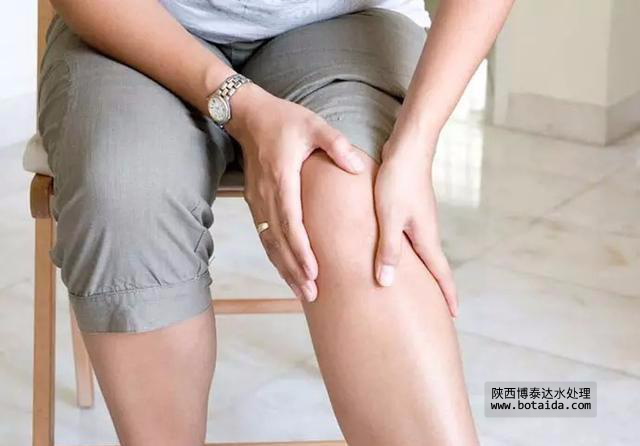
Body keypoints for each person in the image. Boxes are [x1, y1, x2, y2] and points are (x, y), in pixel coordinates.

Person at [40, 1, 513, 444]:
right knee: (124, 194)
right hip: (139, 24)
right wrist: (240, 106)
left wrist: (415, 145)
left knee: (356, 206)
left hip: (347, 21)